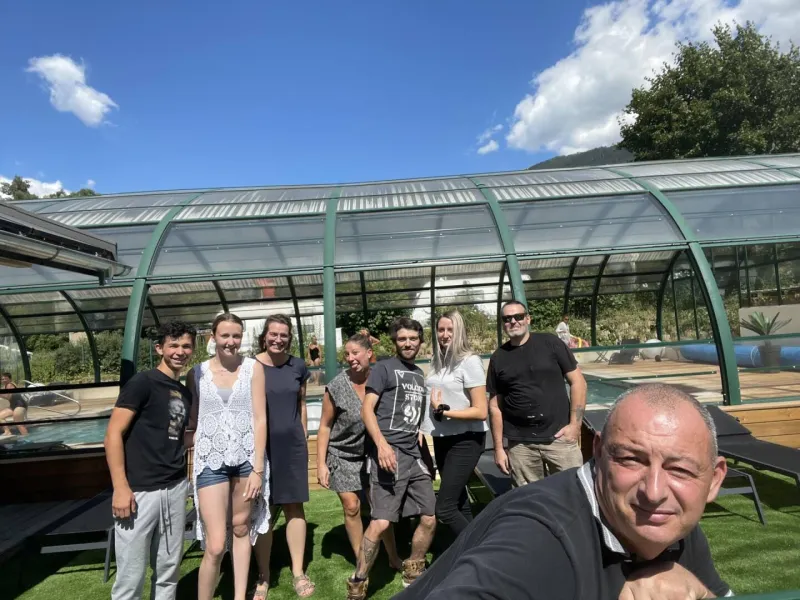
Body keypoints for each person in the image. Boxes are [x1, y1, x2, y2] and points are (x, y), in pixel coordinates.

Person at [395, 383, 733, 599]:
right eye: (631, 460)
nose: (654, 491)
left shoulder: (669, 523)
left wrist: (701, 593)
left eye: (680, 470)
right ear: (597, 452)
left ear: (713, 480)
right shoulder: (539, 536)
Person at [104, 321, 197, 600]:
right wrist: (121, 487)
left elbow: (175, 438)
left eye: (186, 346)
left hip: (175, 487)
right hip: (139, 492)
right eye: (173, 345)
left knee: (168, 569)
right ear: (159, 348)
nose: (180, 351)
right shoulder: (142, 383)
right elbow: (113, 435)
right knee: (131, 576)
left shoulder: (183, 392)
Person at [346, 317, 436, 600]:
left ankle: (413, 568)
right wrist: (382, 446)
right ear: (395, 342)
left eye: (413, 338)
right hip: (389, 454)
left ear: (420, 342)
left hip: (413, 455)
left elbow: (414, 417)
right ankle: (358, 581)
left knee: (430, 516)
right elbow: (367, 410)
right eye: (402, 339)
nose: (408, 343)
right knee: (382, 521)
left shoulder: (419, 374)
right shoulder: (384, 368)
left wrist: (422, 443)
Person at [187, 313, 270, 600]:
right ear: (213, 337)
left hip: (246, 460)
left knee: (241, 527)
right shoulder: (197, 373)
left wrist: (258, 469)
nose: (231, 341)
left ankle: (239, 596)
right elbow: (192, 421)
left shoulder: (253, 369)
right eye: (225, 335)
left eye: (236, 336)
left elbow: (260, 419)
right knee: (214, 544)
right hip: (210, 461)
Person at [315, 333, 402, 569]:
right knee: (352, 506)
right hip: (342, 454)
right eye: (347, 354)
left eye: (355, 353)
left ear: (369, 353)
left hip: (373, 454)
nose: (351, 358)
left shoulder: (381, 380)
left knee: (380, 508)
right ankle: (362, 560)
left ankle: (393, 556)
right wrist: (321, 464)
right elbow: (324, 426)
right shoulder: (336, 386)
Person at [488, 300, 587, 487]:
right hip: (520, 446)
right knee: (529, 498)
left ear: (528, 319)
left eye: (518, 316)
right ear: (503, 323)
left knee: (573, 491)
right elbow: (494, 407)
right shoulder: (498, 357)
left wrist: (575, 425)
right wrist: (499, 448)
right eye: (507, 318)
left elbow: (578, 383)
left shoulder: (550, 343)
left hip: (559, 438)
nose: (513, 321)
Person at [254, 314, 315, 598]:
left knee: (294, 507)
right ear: (264, 336)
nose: (278, 339)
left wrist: (303, 437)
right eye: (273, 334)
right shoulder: (250, 366)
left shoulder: (298, 366)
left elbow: (301, 404)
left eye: (284, 335)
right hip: (260, 448)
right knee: (262, 510)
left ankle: (298, 571)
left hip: (291, 446)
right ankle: (263, 576)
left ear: (289, 338)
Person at [421, 310, 488, 537]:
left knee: (445, 508)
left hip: (466, 439)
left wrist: (445, 411)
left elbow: (481, 411)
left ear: (460, 331)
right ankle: (467, 552)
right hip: (442, 438)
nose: (445, 334)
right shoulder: (437, 361)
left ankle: (480, 549)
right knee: (459, 502)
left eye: (450, 329)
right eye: (441, 329)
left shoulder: (470, 362)